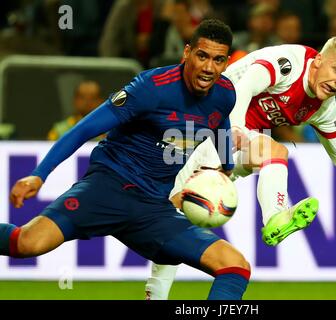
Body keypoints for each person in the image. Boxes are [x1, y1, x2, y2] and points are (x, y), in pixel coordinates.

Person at [145, 35, 336, 299]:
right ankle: (155, 293)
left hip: (234, 138)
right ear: (318, 60)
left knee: (273, 152)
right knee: (177, 215)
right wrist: (236, 134)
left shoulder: (323, 106)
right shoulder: (287, 64)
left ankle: (274, 219)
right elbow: (241, 88)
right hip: (203, 122)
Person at [1, 19, 251, 300]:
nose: (208, 67)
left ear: (226, 62)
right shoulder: (151, 87)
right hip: (108, 187)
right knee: (27, 243)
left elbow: (220, 124)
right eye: (202, 56)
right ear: (187, 52)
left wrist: (226, 167)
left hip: (153, 208)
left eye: (218, 60)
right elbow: (84, 128)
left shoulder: (225, 94)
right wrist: (40, 174)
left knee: (235, 265)